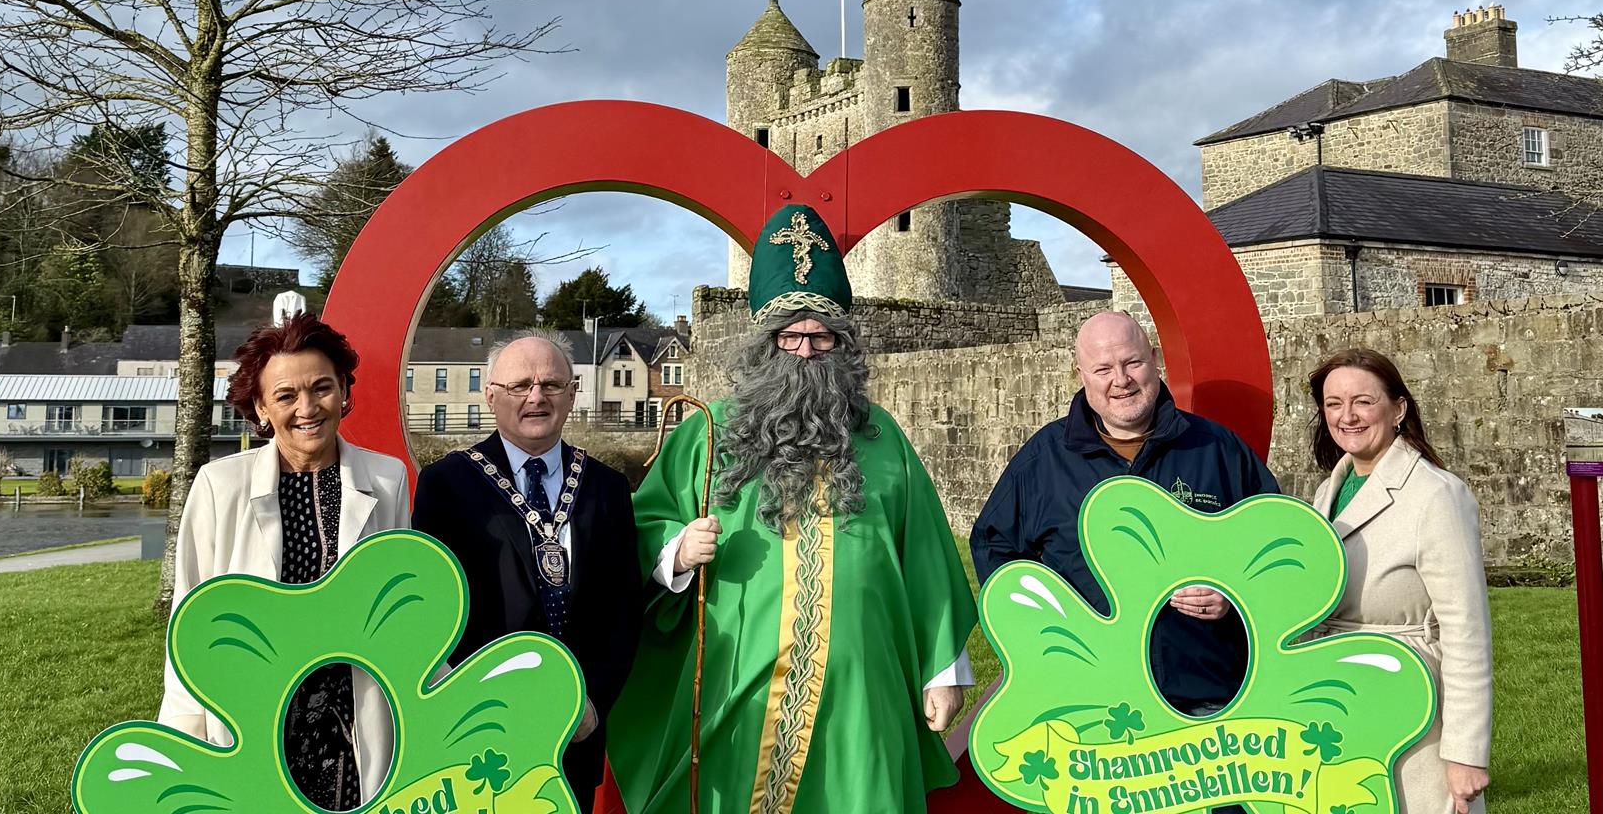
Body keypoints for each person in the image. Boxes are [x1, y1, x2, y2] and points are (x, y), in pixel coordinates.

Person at [608, 204, 977, 814]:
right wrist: (673, 551)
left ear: (843, 345)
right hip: (737, 682)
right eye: (789, 335)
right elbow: (644, 523)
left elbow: (928, 553)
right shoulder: (707, 432)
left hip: (864, 686)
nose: (805, 350)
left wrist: (944, 667)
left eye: (821, 335)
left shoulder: (881, 437)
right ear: (763, 343)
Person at [969, 311, 1279, 719]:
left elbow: (1272, 545)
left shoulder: (1216, 449)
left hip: (1209, 698)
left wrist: (1236, 597)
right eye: (1103, 369)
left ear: (1153, 358)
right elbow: (995, 549)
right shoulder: (1044, 460)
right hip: (1088, 703)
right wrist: (1044, 633)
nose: (1121, 379)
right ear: (1081, 374)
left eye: (1132, 363)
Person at [159, 313, 410, 809]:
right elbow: (188, 621)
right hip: (255, 713)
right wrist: (185, 734)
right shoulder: (218, 485)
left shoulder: (388, 480)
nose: (307, 408)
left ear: (344, 390)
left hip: (352, 712)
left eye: (322, 387)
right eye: (286, 396)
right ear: (260, 407)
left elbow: (401, 611)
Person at [411, 332, 642, 813]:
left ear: (573, 393)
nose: (537, 397)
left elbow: (623, 611)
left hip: (574, 729)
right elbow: (433, 613)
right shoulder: (447, 485)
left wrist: (593, 705)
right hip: (479, 727)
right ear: (491, 394)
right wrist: (469, 703)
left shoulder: (607, 487)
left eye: (552, 384)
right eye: (520, 386)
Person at [1306, 348, 1491, 814]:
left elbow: (1467, 631)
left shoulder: (1437, 496)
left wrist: (1465, 753)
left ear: (1399, 409)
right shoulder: (1326, 492)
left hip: (1412, 707)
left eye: (1363, 402)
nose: (1347, 416)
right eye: (1333, 404)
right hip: (1337, 705)